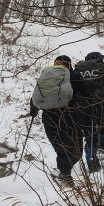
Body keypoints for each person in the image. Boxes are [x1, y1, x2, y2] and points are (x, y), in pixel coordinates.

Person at [29, 55, 80, 186]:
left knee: (60, 147)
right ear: (69, 64)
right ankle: (65, 175)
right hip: (68, 115)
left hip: (48, 116)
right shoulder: (72, 76)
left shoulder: (46, 76)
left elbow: (36, 94)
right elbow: (80, 94)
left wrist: (33, 109)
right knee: (75, 148)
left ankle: (64, 173)